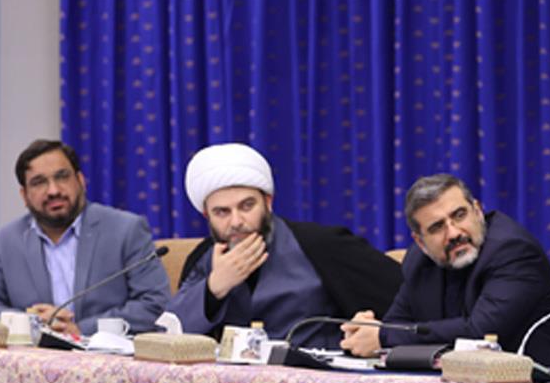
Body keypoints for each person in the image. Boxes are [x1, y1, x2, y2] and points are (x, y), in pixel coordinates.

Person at [340, 174, 550, 370]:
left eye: (459, 215)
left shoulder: (513, 251)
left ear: (477, 211)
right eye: (437, 227)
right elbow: (398, 325)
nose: (454, 233)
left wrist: (383, 336)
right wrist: (365, 332)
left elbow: (480, 333)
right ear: (421, 241)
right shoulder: (419, 261)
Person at [170, 143, 402, 349]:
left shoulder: (321, 245)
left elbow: (406, 300)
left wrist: (377, 333)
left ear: (268, 202)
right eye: (222, 212)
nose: (236, 221)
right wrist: (214, 288)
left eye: (247, 206)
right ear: (206, 216)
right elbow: (169, 335)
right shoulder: (202, 259)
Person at [0, 139, 170, 336]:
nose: (53, 191)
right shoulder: (7, 240)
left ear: (81, 181)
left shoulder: (126, 230)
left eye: (62, 177)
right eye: (39, 182)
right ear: (24, 195)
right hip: (35, 353)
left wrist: (81, 329)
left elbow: (155, 304)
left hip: (103, 352)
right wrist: (30, 322)